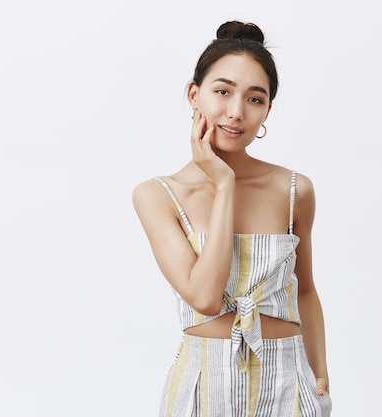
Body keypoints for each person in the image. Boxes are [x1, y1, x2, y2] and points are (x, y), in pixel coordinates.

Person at [132, 21, 331, 416]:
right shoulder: (158, 195)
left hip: (289, 385)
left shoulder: (294, 190)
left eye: (255, 99)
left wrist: (320, 374)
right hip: (204, 387)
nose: (236, 112)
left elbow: (304, 290)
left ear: (268, 109)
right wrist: (224, 185)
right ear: (194, 94)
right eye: (222, 91)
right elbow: (205, 298)